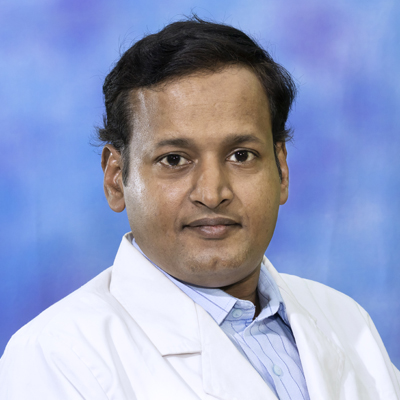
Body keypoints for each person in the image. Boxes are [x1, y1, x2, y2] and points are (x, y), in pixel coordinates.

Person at [0, 16, 399, 400]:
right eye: (174, 159)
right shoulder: (56, 357)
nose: (212, 193)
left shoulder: (346, 322)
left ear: (282, 169)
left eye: (241, 155)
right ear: (116, 178)